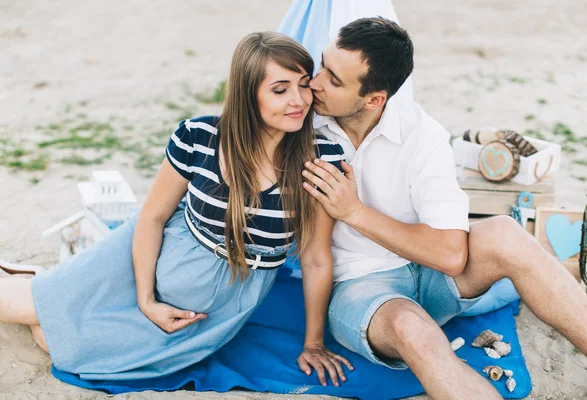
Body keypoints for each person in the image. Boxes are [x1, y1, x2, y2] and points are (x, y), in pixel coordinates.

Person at [0, 31, 353, 387]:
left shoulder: (321, 160)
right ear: (250, 95)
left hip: (213, 309)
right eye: (280, 90)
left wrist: (314, 343)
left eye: (305, 85)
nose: (298, 100)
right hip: (142, 258)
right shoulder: (198, 136)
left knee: (61, 347)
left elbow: (315, 257)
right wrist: (146, 300)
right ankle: (43, 283)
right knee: (19, 307)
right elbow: (153, 217)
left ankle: (42, 279)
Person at [300, 17, 587, 399]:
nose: (316, 82)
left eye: (334, 79)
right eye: (323, 64)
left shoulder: (422, 135)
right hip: (363, 290)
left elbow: (451, 255)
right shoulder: (305, 125)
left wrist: (355, 211)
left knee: (508, 235)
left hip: (432, 276)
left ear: (375, 98)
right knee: (413, 330)